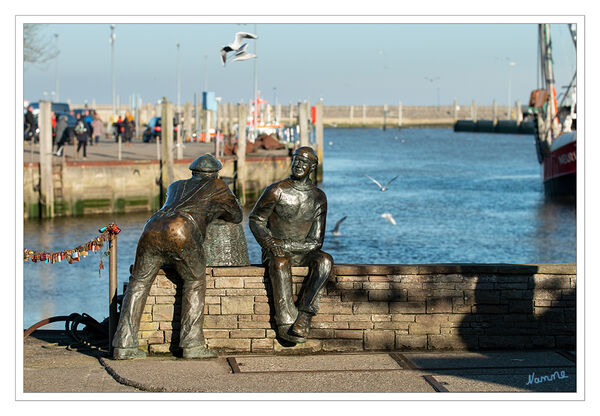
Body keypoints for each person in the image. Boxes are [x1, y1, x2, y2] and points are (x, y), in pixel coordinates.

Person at [112, 154, 243, 360]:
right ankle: (192, 344)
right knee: (195, 281)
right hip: (182, 229)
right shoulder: (218, 186)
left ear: (193, 172)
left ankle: (124, 344)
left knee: (138, 283)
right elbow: (236, 216)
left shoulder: (175, 185)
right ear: (215, 173)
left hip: (152, 227)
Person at [249, 146, 333, 344]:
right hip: (275, 251)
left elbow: (316, 241)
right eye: (296, 160)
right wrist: (269, 243)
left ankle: (304, 316)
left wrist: (286, 243)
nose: (298, 165)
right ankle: (285, 322)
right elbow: (256, 220)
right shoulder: (276, 190)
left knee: (325, 261)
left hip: (302, 250)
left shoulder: (318, 197)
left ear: (312, 167)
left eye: (304, 162)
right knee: (280, 263)